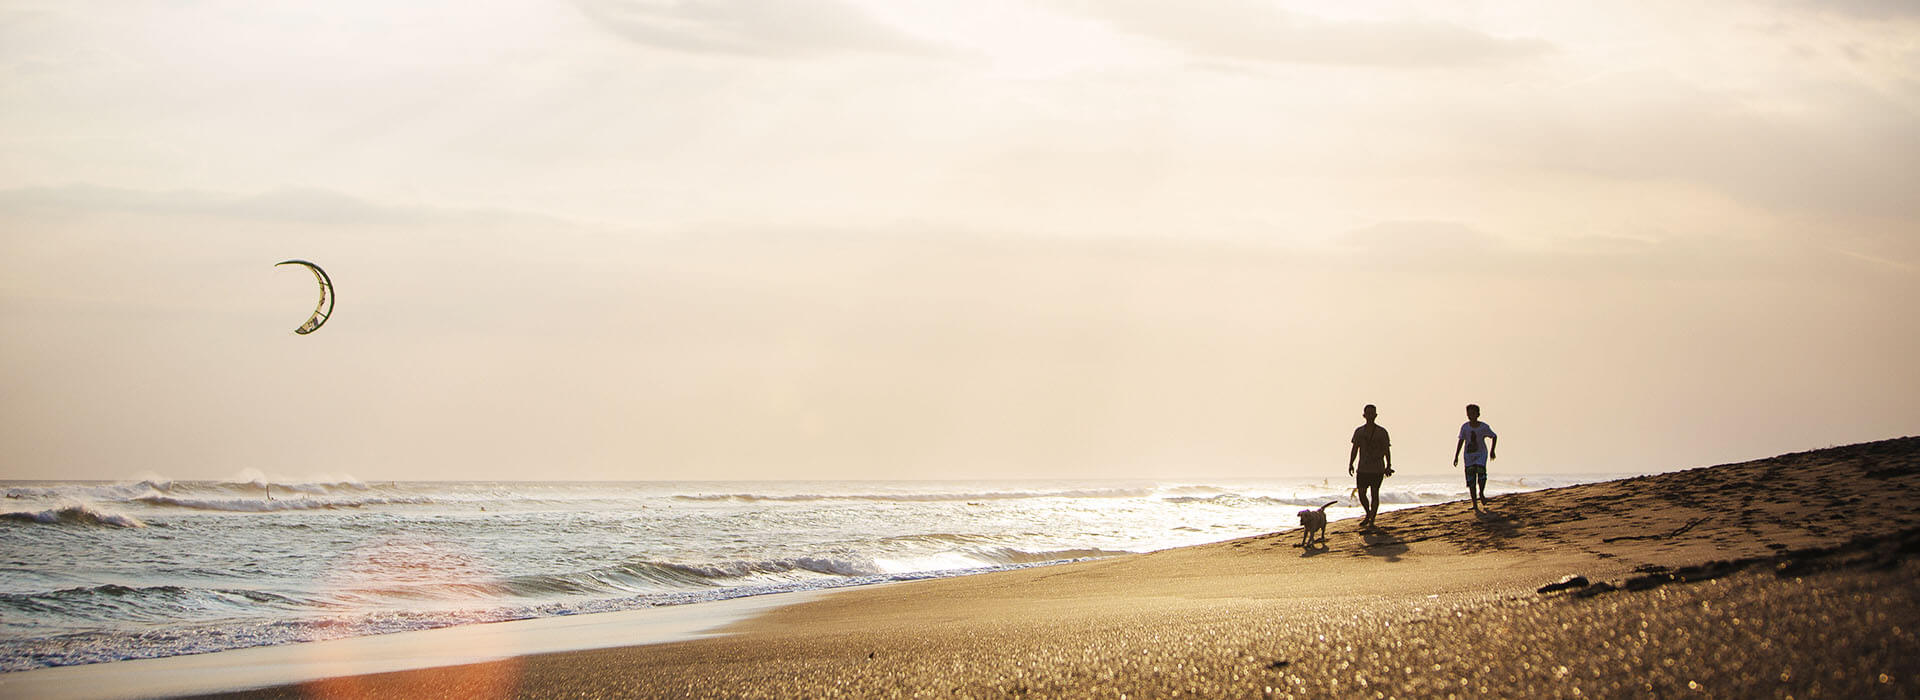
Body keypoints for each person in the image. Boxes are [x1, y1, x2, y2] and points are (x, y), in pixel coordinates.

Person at [1348, 404, 1392, 527]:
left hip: (1377, 468)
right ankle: (1368, 513)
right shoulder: (1359, 432)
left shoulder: (1382, 432)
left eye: (1372, 413)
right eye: (1368, 413)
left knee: (1374, 493)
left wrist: (1388, 465)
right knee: (1361, 493)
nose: (1370, 416)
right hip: (1362, 468)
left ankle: (1372, 518)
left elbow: (1386, 450)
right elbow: (1355, 449)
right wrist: (1351, 463)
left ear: (1376, 415)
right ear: (1364, 415)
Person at [1453, 404, 1499, 510]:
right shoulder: (1465, 427)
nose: (1471, 415)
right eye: (1469, 413)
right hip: (1468, 456)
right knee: (1471, 479)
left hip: (1481, 454)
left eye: (1473, 413)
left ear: (1478, 414)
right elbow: (1461, 440)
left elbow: (1494, 436)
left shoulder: (1483, 427)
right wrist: (1456, 455)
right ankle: (1474, 504)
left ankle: (1481, 493)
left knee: (1481, 473)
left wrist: (1492, 451)